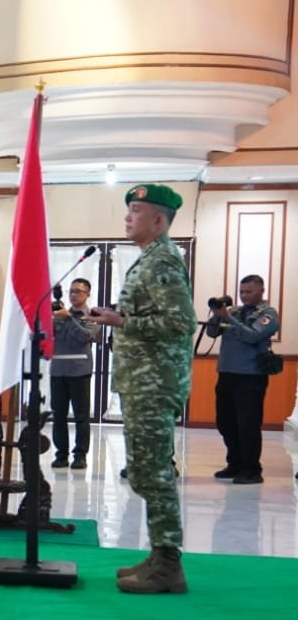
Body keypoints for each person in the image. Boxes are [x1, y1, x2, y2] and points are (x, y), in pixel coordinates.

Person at [90, 184, 196, 593]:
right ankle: (158, 554)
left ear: (158, 219)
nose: (127, 217)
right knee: (146, 472)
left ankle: (168, 564)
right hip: (143, 381)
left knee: (154, 473)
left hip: (155, 383)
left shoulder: (164, 260)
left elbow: (180, 324)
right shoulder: (149, 259)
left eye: (135, 211)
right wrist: (118, 316)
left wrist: (122, 323)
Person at [206, 273, 280, 485]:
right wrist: (217, 314)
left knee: (248, 424)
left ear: (261, 291)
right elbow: (211, 333)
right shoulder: (234, 311)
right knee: (225, 422)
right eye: (241, 292)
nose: (244, 296)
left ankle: (251, 469)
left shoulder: (268, 314)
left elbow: (253, 336)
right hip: (227, 373)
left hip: (251, 376)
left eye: (249, 292)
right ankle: (235, 464)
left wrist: (229, 319)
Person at [49, 277, 99, 471]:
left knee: (81, 416)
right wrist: (52, 317)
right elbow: (49, 336)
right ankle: (61, 454)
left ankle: (80, 455)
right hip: (58, 370)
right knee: (58, 415)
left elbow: (85, 336)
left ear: (87, 294)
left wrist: (68, 319)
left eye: (78, 291)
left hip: (80, 371)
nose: (73, 295)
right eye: (71, 291)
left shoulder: (92, 315)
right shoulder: (60, 314)